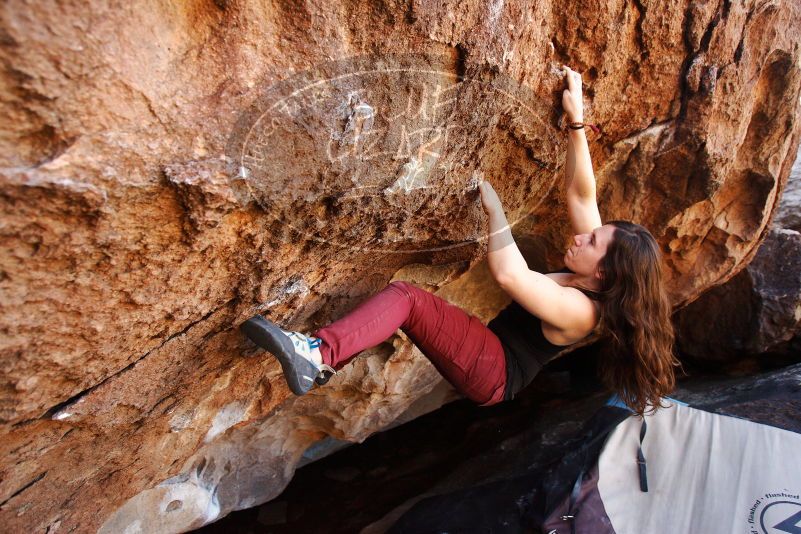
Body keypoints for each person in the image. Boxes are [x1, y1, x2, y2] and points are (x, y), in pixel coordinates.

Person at [241, 66, 679, 416]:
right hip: (491, 356)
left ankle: (317, 355)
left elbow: (510, 275)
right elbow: (582, 194)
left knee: (408, 300)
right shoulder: (593, 274)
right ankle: (321, 354)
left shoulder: (582, 312)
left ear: (603, 272)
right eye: (593, 232)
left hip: (494, 374)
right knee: (410, 304)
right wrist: (577, 120)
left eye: (593, 242)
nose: (582, 236)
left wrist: (496, 211)